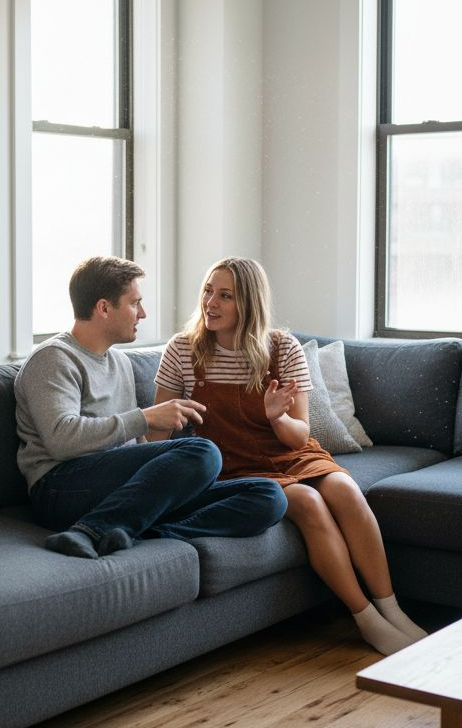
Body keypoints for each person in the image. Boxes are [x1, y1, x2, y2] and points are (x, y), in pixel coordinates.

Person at [151, 257, 427, 654]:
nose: (211, 302)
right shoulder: (183, 350)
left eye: (225, 296)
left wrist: (276, 416)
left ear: (250, 303)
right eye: (208, 291)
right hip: (231, 466)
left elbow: (299, 435)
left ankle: (392, 609)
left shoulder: (282, 348)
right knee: (308, 501)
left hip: (289, 452)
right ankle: (365, 618)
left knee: (347, 492)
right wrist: (160, 426)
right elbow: (157, 432)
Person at [14, 256, 288, 559]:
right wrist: (145, 418)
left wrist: (160, 435)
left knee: (268, 496)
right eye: (134, 304)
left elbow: (133, 448)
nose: (142, 313)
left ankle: (139, 531)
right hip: (60, 488)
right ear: (104, 308)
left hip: (123, 489)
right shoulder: (54, 358)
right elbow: (62, 440)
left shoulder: (119, 361)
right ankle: (88, 530)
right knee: (203, 452)